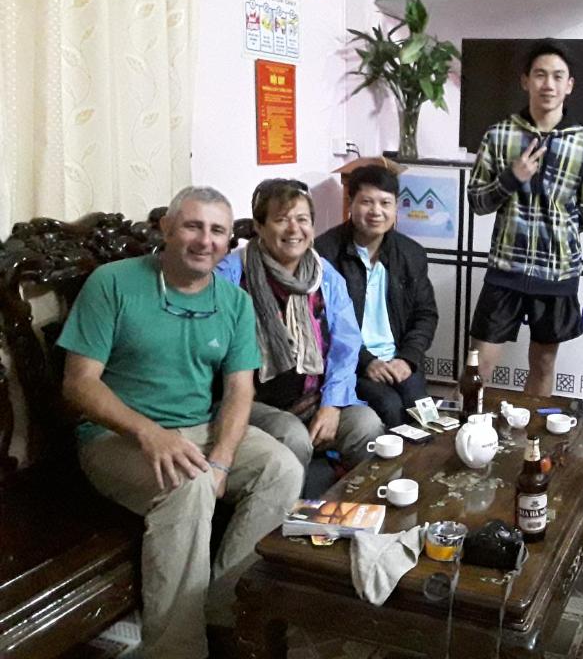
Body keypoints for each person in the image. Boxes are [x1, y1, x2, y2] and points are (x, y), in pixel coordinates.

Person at [58, 186, 304, 659]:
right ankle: (176, 649)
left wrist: (223, 461)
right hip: (117, 437)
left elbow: (240, 391)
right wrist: (149, 433)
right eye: (193, 226)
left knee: (282, 468)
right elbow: (79, 384)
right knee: (188, 485)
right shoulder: (113, 283)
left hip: (198, 430)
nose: (205, 240)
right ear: (166, 229)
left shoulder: (234, 301)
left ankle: (224, 613)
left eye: (217, 231)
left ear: (229, 241)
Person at [216, 178, 385, 475]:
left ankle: (354, 501)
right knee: (292, 436)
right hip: (253, 403)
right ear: (259, 226)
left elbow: (346, 347)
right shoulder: (230, 276)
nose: (294, 229)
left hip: (313, 398)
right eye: (281, 219)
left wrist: (332, 405)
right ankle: (294, 504)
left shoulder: (324, 276)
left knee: (366, 426)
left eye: (302, 219)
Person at [467, 39, 583, 395]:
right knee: (478, 367)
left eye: (558, 76)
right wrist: (511, 178)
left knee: (543, 365)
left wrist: (557, 228)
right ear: (525, 81)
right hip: (506, 268)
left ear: (569, 85)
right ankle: (467, 427)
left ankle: (534, 430)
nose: (549, 84)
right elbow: (477, 202)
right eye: (540, 75)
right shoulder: (498, 136)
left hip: (556, 274)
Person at [315, 164, 439, 428]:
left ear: (396, 207)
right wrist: (366, 361)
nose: (376, 211)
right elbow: (323, 324)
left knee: (421, 409)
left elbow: (425, 315)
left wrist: (408, 358)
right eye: (367, 202)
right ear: (350, 203)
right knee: (389, 405)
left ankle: (420, 457)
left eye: (385, 203)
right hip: (351, 364)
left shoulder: (411, 254)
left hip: (398, 358)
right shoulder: (325, 253)